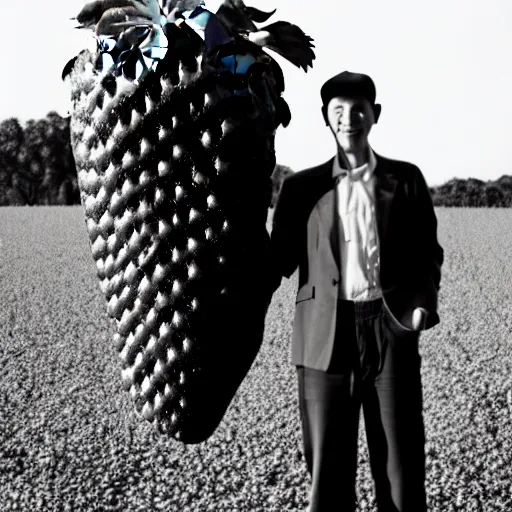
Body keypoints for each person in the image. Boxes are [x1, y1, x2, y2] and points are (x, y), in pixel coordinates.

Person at [269, 71, 444, 511]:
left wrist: (421, 306)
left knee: (401, 469)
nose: (350, 119)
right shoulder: (301, 188)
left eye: (359, 109)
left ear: (375, 115)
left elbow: (428, 253)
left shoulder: (405, 181)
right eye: (339, 111)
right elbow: (277, 263)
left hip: (390, 330)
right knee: (327, 472)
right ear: (326, 119)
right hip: (323, 335)